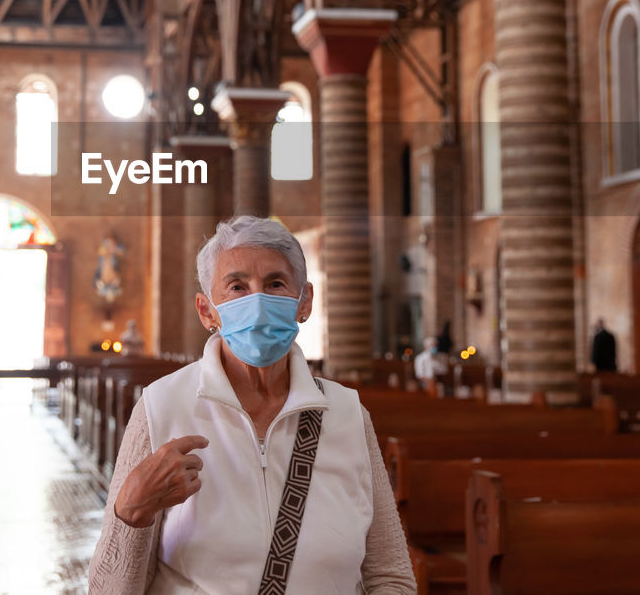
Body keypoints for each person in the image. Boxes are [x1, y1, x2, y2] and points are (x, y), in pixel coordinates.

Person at [88, 215, 414, 593]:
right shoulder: (162, 407)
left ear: (303, 301)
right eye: (237, 286)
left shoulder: (347, 414)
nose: (257, 301)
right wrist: (130, 512)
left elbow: (390, 575)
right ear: (207, 310)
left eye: (275, 284)